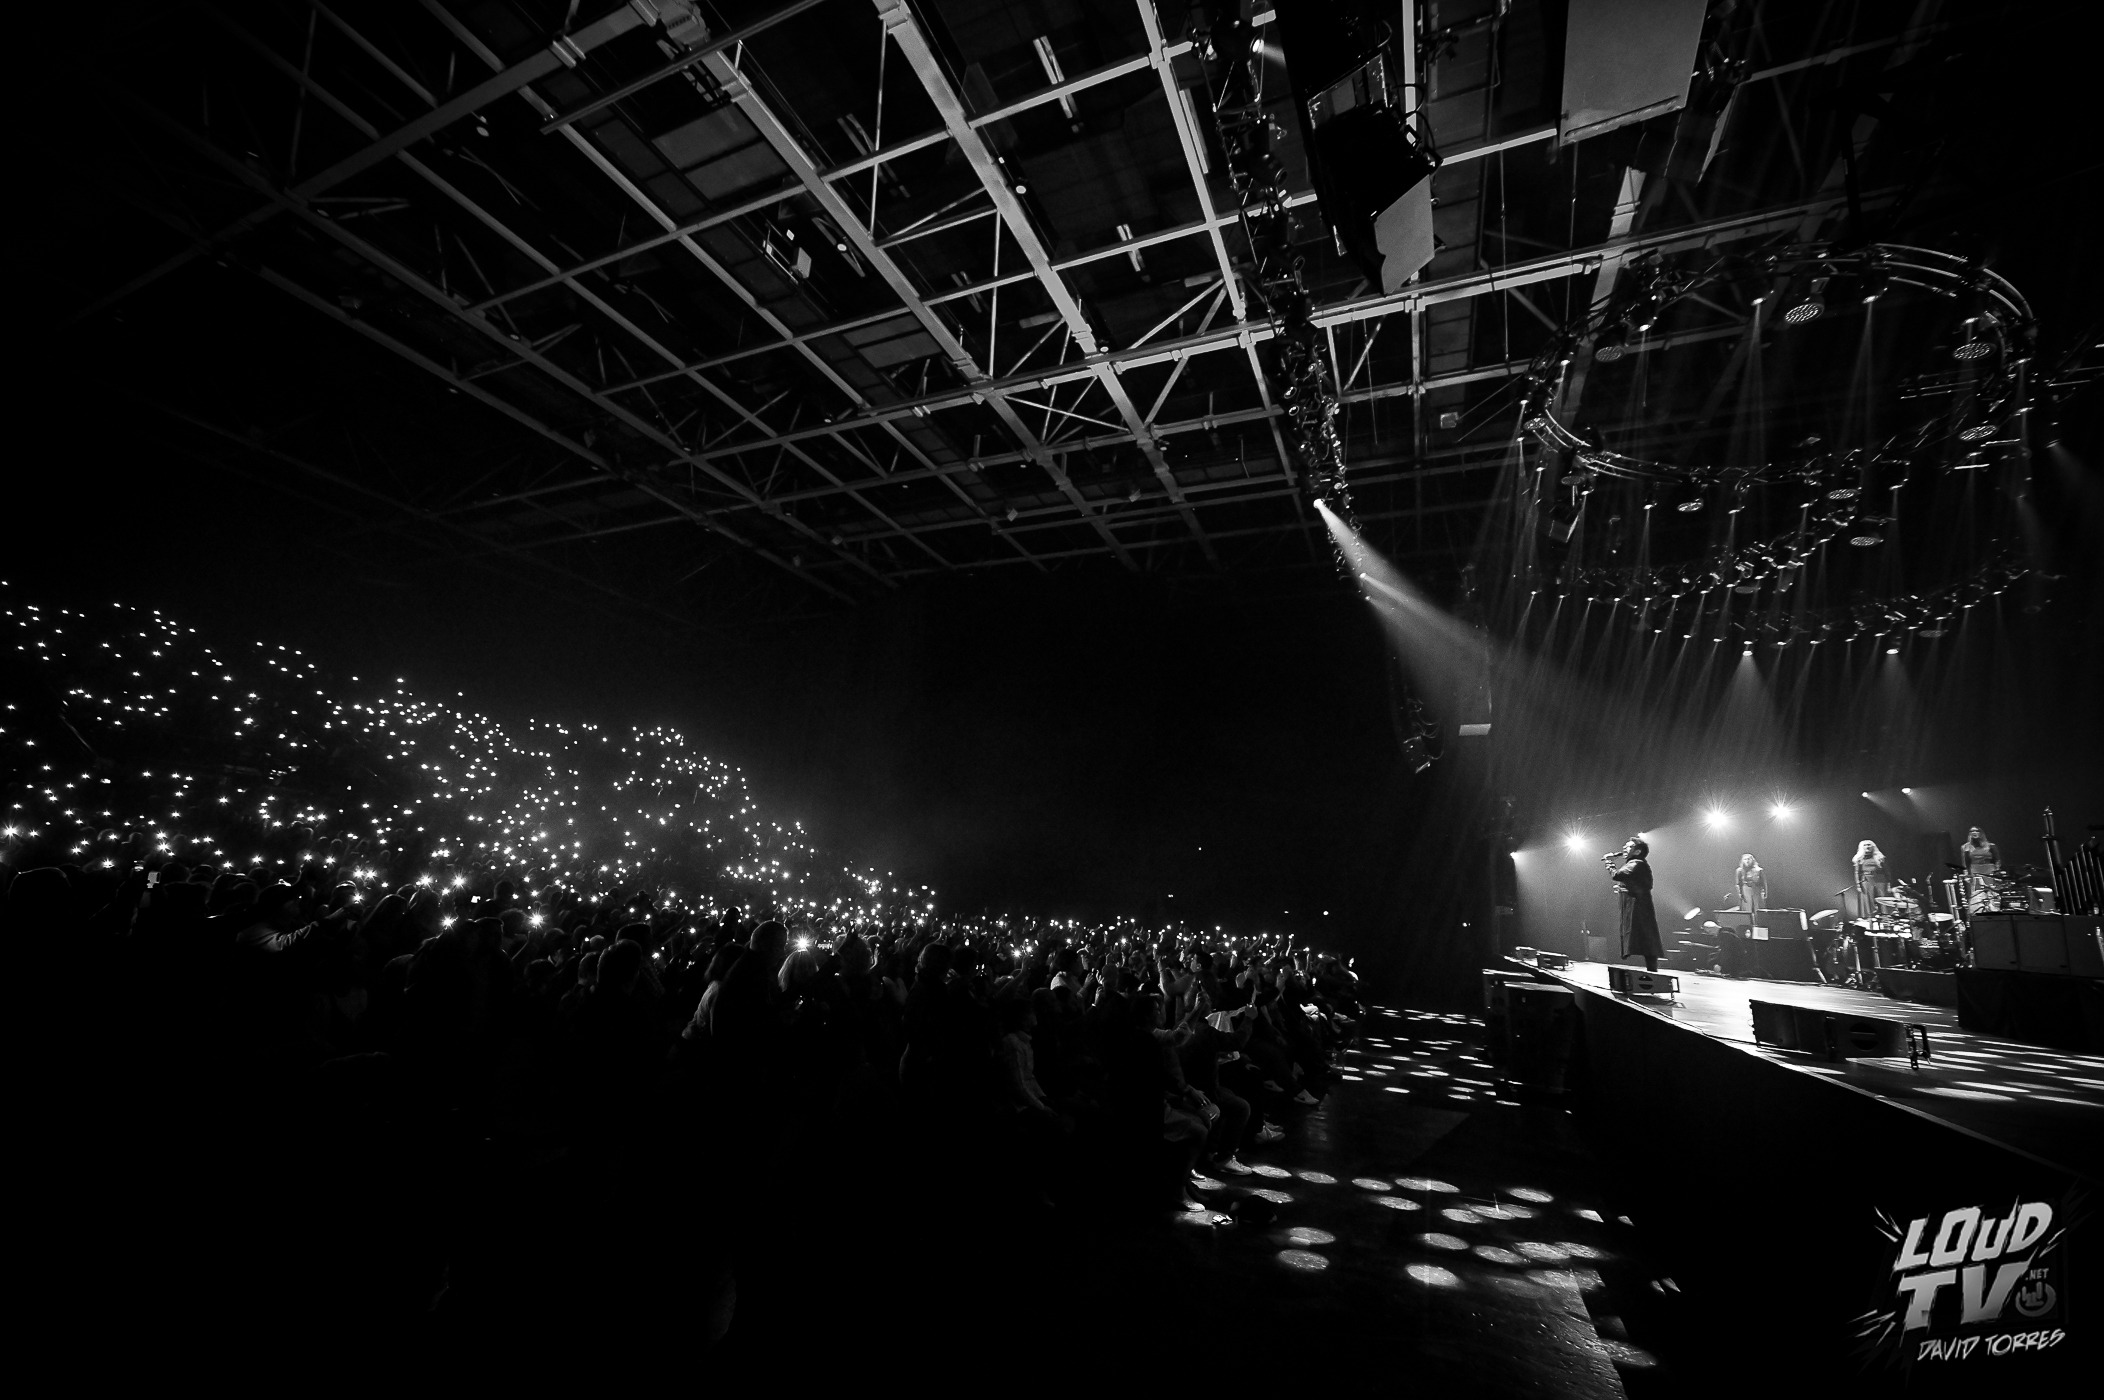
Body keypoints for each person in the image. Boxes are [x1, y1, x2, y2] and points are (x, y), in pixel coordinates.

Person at [1605, 837, 1662, 973]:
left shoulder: (1636, 863)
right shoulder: (1638, 864)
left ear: (1637, 851)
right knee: (1646, 939)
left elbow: (1618, 875)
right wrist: (1625, 889)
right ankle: (1652, 971)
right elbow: (1639, 884)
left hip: (1639, 908)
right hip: (1641, 906)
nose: (1624, 848)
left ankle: (1652, 973)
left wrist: (1609, 863)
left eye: (1628, 847)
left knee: (1646, 937)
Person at [1851, 840, 1890, 917]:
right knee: (1868, 900)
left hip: (1880, 879)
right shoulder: (1859, 859)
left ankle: (1885, 917)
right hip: (1866, 880)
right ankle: (1870, 918)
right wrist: (1858, 885)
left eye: (1869, 845)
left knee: (1883, 899)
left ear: (1873, 847)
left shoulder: (1879, 857)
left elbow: (1887, 870)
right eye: (1865, 845)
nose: (1867, 846)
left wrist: (1889, 883)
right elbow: (1857, 873)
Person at [1731, 854, 1767, 920]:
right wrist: (1740, 893)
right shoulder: (1739, 871)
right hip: (1745, 892)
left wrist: (1764, 893)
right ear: (1742, 861)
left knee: (1758, 910)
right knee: (1747, 911)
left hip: (1757, 891)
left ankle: (1759, 924)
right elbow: (1738, 883)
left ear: (1752, 860)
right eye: (1745, 859)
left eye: (1749, 859)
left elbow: (1764, 883)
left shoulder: (1759, 870)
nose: (1747, 861)